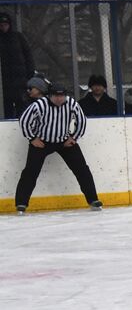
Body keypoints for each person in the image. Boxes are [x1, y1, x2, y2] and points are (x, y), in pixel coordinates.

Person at [14, 81, 101, 214]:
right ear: (50, 95)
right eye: (56, 96)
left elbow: (82, 121)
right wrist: (32, 138)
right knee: (30, 172)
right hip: (42, 142)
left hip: (64, 141)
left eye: (62, 96)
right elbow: (24, 120)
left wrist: (73, 138)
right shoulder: (40, 104)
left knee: (82, 169)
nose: (59, 99)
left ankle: (93, 200)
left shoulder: (71, 104)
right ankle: (21, 203)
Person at [0, 11, 35, 119]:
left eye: (5, 25)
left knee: (23, 109)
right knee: (6, 109)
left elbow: (28, 55)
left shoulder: (18, 37)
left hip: (20, 82)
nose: (3, 27)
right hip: (4, 84)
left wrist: (29, 75)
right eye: (1, 25)